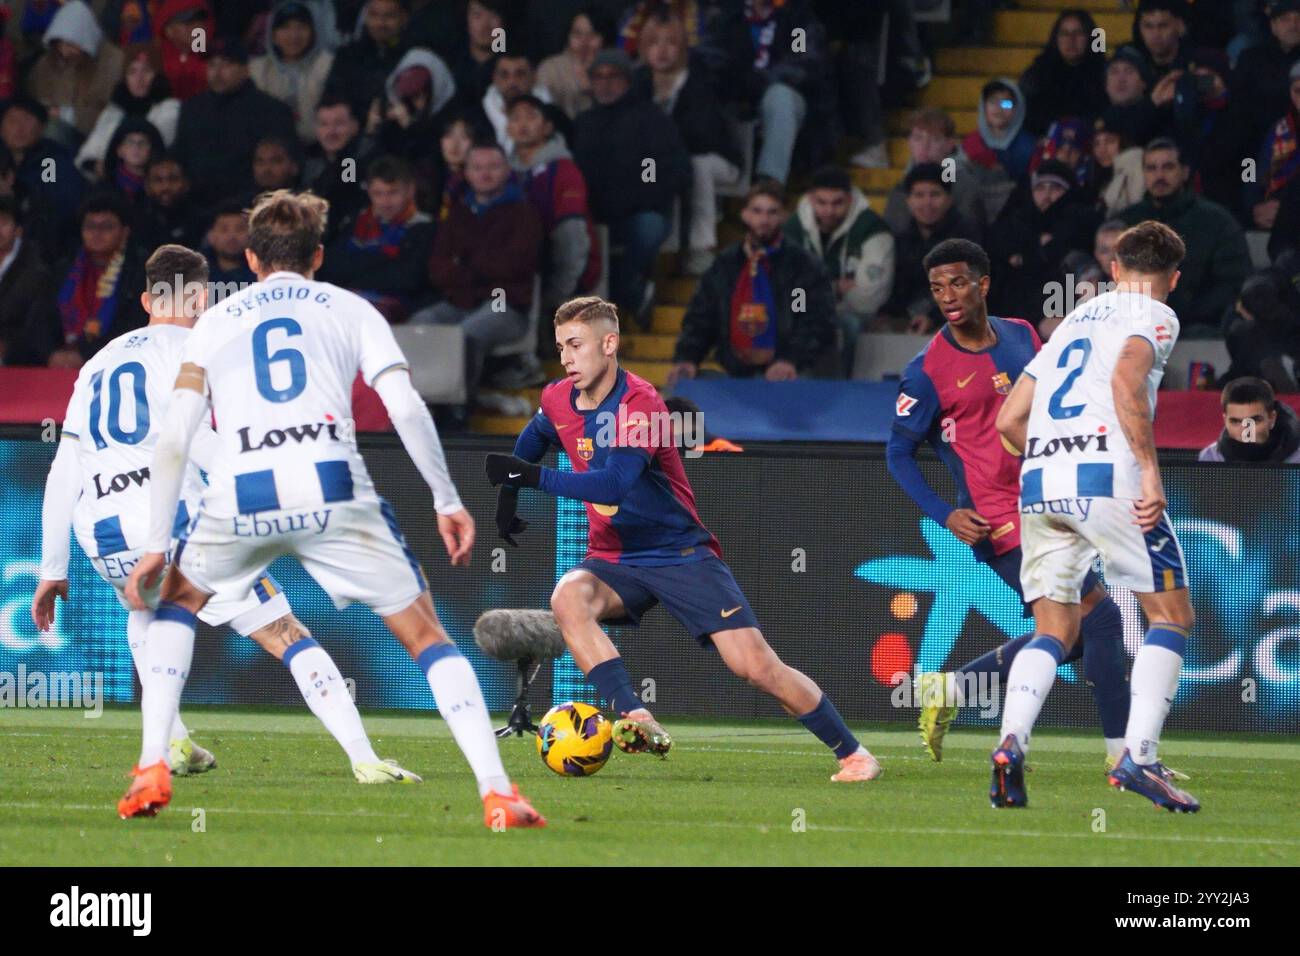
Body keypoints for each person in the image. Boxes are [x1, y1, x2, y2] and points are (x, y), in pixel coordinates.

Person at [121, 191, 543, 828]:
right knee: (426, 637)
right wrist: (447, 498)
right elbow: (405, 406)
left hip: (242, 492)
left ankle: (153, 762)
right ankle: (498, 792)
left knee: (177, 602)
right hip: (333, 487)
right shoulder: (351, 309)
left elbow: (176, 437)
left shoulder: (214, 321)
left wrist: (158, 543)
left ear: (252, 257)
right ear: (318, 254)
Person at [34, 242, 421, 785]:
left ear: (147, 298)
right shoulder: (200, 347)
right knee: (285, 631)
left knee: (145, 615)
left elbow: (62, 473)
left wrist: (53, 569)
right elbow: (202, 444)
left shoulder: (97, 362)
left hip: (103, 535)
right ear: (200, 297)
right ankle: (364, 757)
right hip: (176, 527)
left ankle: (174, 743)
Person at [485, 295, 882, 783]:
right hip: (614, 555)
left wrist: (531, 481)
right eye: (560, 346)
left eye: (575, 344)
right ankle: (635, 714)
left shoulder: (641, 405)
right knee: (569, 599)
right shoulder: (556, 396)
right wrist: (508, 501)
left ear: (609, 344)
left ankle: (855, 754)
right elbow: (535, 438)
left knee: (755, 667)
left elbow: (613, 484)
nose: (566, 357)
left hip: (678, 554)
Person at [887, 238, 1130, 765]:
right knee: (1102, 622)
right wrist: (946, 513)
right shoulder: (926, 371)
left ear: (983, 284)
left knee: (1070, 634)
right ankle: (1125, 756)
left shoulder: (1021, 335)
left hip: (1052, 500)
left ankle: (953, 688)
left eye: (956, 283)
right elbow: (898, 454)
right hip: (1000, 520)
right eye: (936, 288)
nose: (947, 296)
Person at [992, 219, 1200, 812]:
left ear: (1113, 267)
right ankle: (1141, 757)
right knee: (1170, 614)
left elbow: (1009, 422)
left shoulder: (1070, 324)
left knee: (1054, 630)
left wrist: (1054, 452)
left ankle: (1011, 745)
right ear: (1174, 278)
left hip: (1040, 482)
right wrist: (1150, 469)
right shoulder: (1154, 312)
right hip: (1109, 478)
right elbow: (1127, 380)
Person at [669, 179, 835, 384]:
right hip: (734, 372)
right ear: (744, 214)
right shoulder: (724, 265)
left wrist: (790, 360)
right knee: (687, 385)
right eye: (757, 211)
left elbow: (815, 322)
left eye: (772, 212)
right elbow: (701, 318)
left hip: (789, 373)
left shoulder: (802, 266)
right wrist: (687, 358)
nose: (763, 220)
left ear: (784, 216)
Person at [572, 48, 690, 324]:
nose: (605, 83)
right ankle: (632, 294)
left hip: (638, 214)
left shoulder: (652, 120)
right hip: (592, 218)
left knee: (649, 226)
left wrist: (639, 196)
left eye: (613, 76)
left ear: (627, 80)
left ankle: (626, 288)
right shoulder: (582, 123)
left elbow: (677, 171)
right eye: (598, 77)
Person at [417, 141, 542, 395]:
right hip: (460, 301)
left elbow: (514, 265)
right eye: (477, 167)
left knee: (466, 335)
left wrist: (463, 265)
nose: (485, 173)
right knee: (420, 325)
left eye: (493, 166)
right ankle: (419, 403)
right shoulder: (458, 212)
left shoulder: (525, 213)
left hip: (506, 304)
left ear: (507, 170)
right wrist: (473, 268)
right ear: (467, 173)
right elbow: (437, 267)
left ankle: (457, 406)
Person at [637, 7, 741, 277]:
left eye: (671, 42)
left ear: (683, 47)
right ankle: (661, 252)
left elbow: (701, 136)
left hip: (715, 159)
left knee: (697, 166)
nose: (662, 50)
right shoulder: (639, 83)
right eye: (654, 43)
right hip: (665, 159)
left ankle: (701, 248)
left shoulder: (699, 79)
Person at [1117, 138, 1250, 332]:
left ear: (1184, 172)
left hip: (1198, 324)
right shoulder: (1128, 222)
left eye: (1168, 167)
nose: (1159, 175)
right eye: (1151, 168)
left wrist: (1180, 313)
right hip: (1135, 323)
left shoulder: (1216, 220)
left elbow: (1233, 281)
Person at [696, 0, 833, 184]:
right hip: (735, 99)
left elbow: (802, 60)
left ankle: (770, 184)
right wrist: (738, 79)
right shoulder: (728, 17)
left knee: (780, 97)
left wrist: (763, 80)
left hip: (788, 100)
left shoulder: (797, 19)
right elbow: (709, 57)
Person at [783, 165, 895, 377]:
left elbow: (868, 299)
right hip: (802, 313)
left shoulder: (872, 229)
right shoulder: (793, 229)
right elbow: (786, 291)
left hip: (855, 315)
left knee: (848, 325)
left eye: (837, 203)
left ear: (851, 199)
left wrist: (810, 289)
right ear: (810, 199)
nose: (829, 211)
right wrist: (835, 288)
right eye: (821, 202)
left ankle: (843, 391)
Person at [172, 37, 297, 209]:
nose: (217, 72)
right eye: (212, 64)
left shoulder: (272, 111)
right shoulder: (192, 108)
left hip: (253, 205)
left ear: (246, 69)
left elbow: (284, 168)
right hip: (196, 205)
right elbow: (181, 154)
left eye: (226, 64)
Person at [506, 95, 600, 315]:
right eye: (516, 118)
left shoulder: (564, 170)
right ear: (508, 128)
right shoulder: (503, 172)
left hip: (564, 274)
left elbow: (572, 235)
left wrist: (558, 292)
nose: (523, 124)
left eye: (531, 117)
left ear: (547, 127)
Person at [987, 158, 1102, 333]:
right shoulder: (1014, 225)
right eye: (1040, 188)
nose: (1046, 195)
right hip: (1016, 319)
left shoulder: (1082, 222)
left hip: (1064, 316)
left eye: (1055, 188)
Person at [318, 154, 435, 322]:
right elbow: (331, 263)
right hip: (349, 299)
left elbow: (408, 278)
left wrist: (356, 269)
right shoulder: (356, 222)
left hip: (398, 307)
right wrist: (382, 261)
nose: (385, 201)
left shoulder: (424, 226)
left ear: (410, 190)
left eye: (392, 193)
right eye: (378, 194)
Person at [51, 192, 148, 369]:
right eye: (90, 226)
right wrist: (51, 353)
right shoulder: (64, 268)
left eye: (107, 227)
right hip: (61, 361)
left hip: (117, 363)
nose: (97, 233)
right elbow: (43, 317)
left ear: (125, 232)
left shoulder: (139, 272)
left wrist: (85, 354)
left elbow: (136, 325)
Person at [883, 163, 982, 333]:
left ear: (949, 199)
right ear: (908, 200)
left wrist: (933, 317)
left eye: (935, 194)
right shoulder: (902, 239)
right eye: (919, 195)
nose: (927, 203)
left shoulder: (967, 238)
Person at [24, 0, 125, 143]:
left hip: (93, 136)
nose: (65, 52)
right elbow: (36, 97)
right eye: (61, 44)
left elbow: (106, 107)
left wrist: (66, 115)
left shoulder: (111, 61)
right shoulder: (47, 62)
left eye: (71, 45)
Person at [883, 109, 993, 237]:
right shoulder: (902, 184)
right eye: (918, 138)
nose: (925, 145)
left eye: (934, 139)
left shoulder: (963, 184)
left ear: (949, 144)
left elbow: (968, 231)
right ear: (909, 142)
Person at [76, 43, 180, 176]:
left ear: (157, 76)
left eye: (146, 71)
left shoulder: (170, 109)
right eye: (132, 72)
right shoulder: (115, 110)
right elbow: (89, 152)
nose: (139, 78)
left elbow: (151, 152)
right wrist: (95, 164)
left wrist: (110, 164)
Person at [249, 1, 336, 144]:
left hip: (318, 148)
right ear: (273, 36)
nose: (294, 36)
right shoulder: (257, 70)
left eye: (301, 27)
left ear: (313, 33)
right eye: (285, 28)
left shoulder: (327, 65)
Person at [1018, 7, 1108, 137]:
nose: (1071, 39)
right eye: (1064, 33)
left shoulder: (1104, 74)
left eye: (1079, 33)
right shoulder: (1037, 74)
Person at [1222, 247, 1300, 391]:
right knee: (1246, 327)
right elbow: (1257, 289)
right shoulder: (1290, 265)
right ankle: (1281, 373)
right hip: (1287, 334)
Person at [302, 95, 376, 242]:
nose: (331, 131)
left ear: (354, 126)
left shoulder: (356, 159)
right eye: (324, 124)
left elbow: (346, 192)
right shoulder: (309, 162)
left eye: (339, 123)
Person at [322, 0, 410, 121]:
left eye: (389, 16)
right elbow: (333, 99)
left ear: (403, 18)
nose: (380, 23)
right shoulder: (347, 56)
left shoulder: (414, 56)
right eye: (374, 15)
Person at [0, 196, 60, 366]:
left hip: (18, 361)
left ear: (18, 229)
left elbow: (35, 327)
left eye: (3, 222)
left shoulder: (36, 270)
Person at [1199, 376, 1300, 463]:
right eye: (1235, 421)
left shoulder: (1297, 458)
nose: (1246, 432)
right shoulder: (1210, 457)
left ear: (1271, 419)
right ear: (1225, 420)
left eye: (1254, 421)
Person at [537, 7, 610, 119]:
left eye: (592, 35)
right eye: (577, 34)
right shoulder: (550, 68)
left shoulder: (615, 68)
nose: (584, 42)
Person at [961, 78, 1035, 185]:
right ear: (983, 106)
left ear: (1017, 108)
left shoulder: (1029, 146)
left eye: (1006, 103)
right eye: (992, 101)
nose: (999, 108)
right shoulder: (970, 143)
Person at [482, 52, 552, 152]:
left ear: (534, 76)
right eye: (504, 75)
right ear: (494, 78)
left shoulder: (551, 113)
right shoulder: (480, 113)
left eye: (520, 74)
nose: (512, 82)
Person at [154, 0, 211, 102]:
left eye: (201, 19)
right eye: (189, 23)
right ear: (169, 31)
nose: (198, 26)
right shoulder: (155, 62)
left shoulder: (216, 58)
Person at [203, 201, 256, 295]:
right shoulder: (197, 273)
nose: (232, 236)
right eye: (224, 230)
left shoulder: (261, 272)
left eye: (240, 229)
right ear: (210, 236)